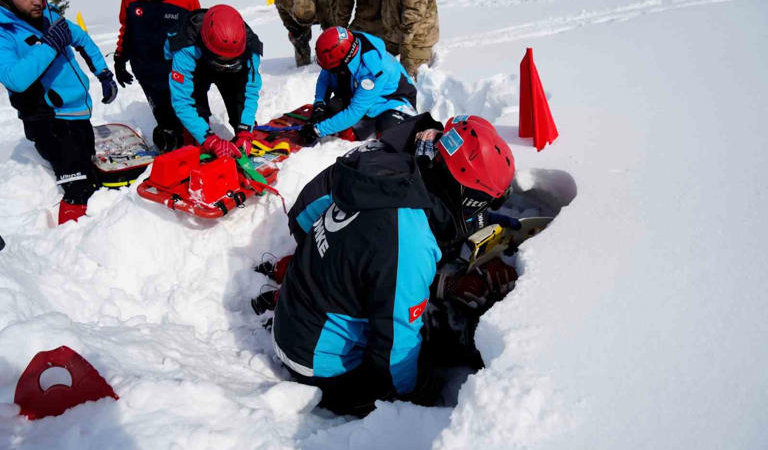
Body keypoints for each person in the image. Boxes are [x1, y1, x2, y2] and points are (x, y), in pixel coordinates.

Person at [270, 114, 517, 415]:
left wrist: (443, 284)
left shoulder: (388, 172)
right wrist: (407, 402)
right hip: (317, 361)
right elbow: (395, 340)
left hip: (299, 315)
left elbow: (377, 270)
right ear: (469, 198)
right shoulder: (409, 236)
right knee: (429, 350)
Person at [0, 0, 118, 224]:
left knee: (91, 169)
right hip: (47, 120)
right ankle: (73, 240)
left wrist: (103, 73)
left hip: (77, 112)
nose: (38, 1)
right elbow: (15, 79)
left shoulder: (50, 16)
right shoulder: (4, 31)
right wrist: (50, 45)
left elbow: (82, 38)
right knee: (79, 188)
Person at [165, 5, 263, 159]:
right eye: (222, 60)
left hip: (232, 70)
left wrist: (245, 130)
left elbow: (250, 92)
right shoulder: (185, 47)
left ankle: (242, 138)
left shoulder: (251, 48)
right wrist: (209, 140)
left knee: (240, 109)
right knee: (197, 122)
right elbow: (182, 101)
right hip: (198, 67)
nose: (225, 65)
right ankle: (201, 144)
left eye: (230, 60)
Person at [298, 26, 417, 145]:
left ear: (344, 61)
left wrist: (318, 130)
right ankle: (357, 126)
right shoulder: (345, 46)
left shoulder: (373, 71)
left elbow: (355, 111)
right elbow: (325, 77)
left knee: (392, 135)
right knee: (331, 110)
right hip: (361, 93)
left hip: (394, 100)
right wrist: (319, 104)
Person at [114, 0, 200, 152]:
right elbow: (127, 28)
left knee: (186, 112)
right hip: (145, 68)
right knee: (163, 115)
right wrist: (120, 58)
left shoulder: (187, 1)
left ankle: (193, 147)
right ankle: (171, 145)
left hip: (177, 67)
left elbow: (196, 27)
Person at [350, 0, 439, 79]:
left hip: (417, 39)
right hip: (393, 35)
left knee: (410, 79)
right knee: (372, 66)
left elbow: (414, 13)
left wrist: (406, 47)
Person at [274, 0, 354, 67]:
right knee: (298, 37)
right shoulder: (284, 2)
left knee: (334, 37)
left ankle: (338, 62)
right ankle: (302, 63)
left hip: (326, 10)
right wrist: (294, 30)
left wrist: (339, 34)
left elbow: (336, 22)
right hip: (299, 15)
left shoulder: (324, 4)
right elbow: (286, 18)